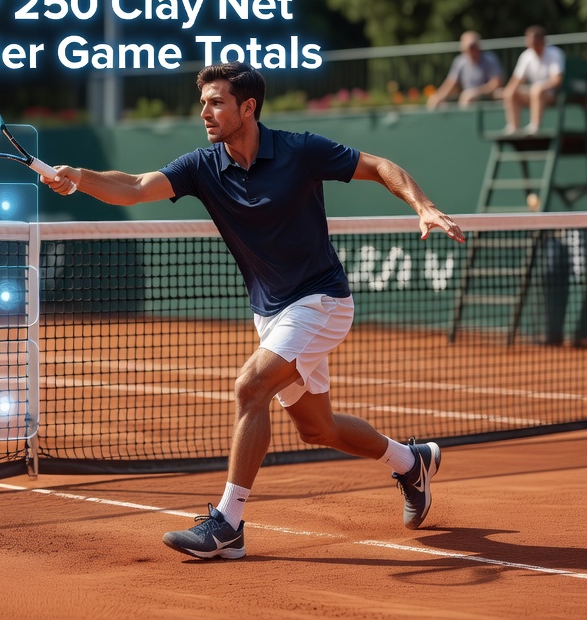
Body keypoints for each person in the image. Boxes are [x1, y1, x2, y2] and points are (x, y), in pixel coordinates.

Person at [46, 61, 464, 560]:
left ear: (248, 107)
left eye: (216, 101)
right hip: (272, 311)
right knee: (318, 428)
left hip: (322, 300)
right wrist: (80, 178)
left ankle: (228, 523)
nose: (205, 111)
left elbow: (378, 165)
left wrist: (422, 204)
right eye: (202, 102)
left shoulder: (300, 150)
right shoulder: (203, 166)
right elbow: (135, 186)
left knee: (250, 386)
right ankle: (410, 461)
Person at [502, 25, 565, 136]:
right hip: (534, 93)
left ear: (542, 40)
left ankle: (535, 127)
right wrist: (507, 92)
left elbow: (557, 80)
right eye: (530, 42)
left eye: (536, 41)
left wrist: (540, 87)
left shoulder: (555, 53)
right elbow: (516, 81)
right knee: (510, 92)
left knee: (536, 90)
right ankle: (513, 128)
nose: (533, 45)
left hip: (553, 94)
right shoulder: (526, 56)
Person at [426, 31, 503, 110]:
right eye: (468, 47)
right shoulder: (459, 61)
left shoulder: (490, 59)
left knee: (500, 94)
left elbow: (496, 83)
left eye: (473, 46)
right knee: (440, 103)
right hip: (465, 97)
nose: (471, 50)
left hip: (487, 96)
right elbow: (451, 83)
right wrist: (439, 96)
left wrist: (475, 93)